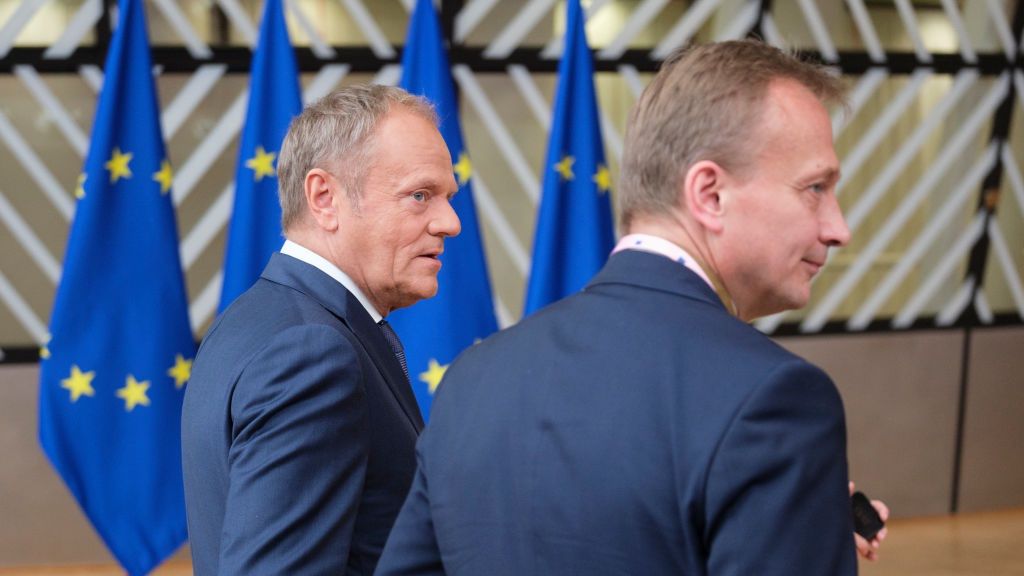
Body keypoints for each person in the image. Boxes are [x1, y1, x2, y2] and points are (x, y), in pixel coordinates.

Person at [376, 40, 881, 575]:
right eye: (816, 187)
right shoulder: (775, 398)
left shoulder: (473, 378)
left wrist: (799, 533)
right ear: (709, 194)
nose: (838, 228)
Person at [181, 85, 460, 575]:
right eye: (420, 195)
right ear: (324, 197)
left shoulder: (259, 322)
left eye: (447, 197)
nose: (450, 222)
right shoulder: (309, 352)